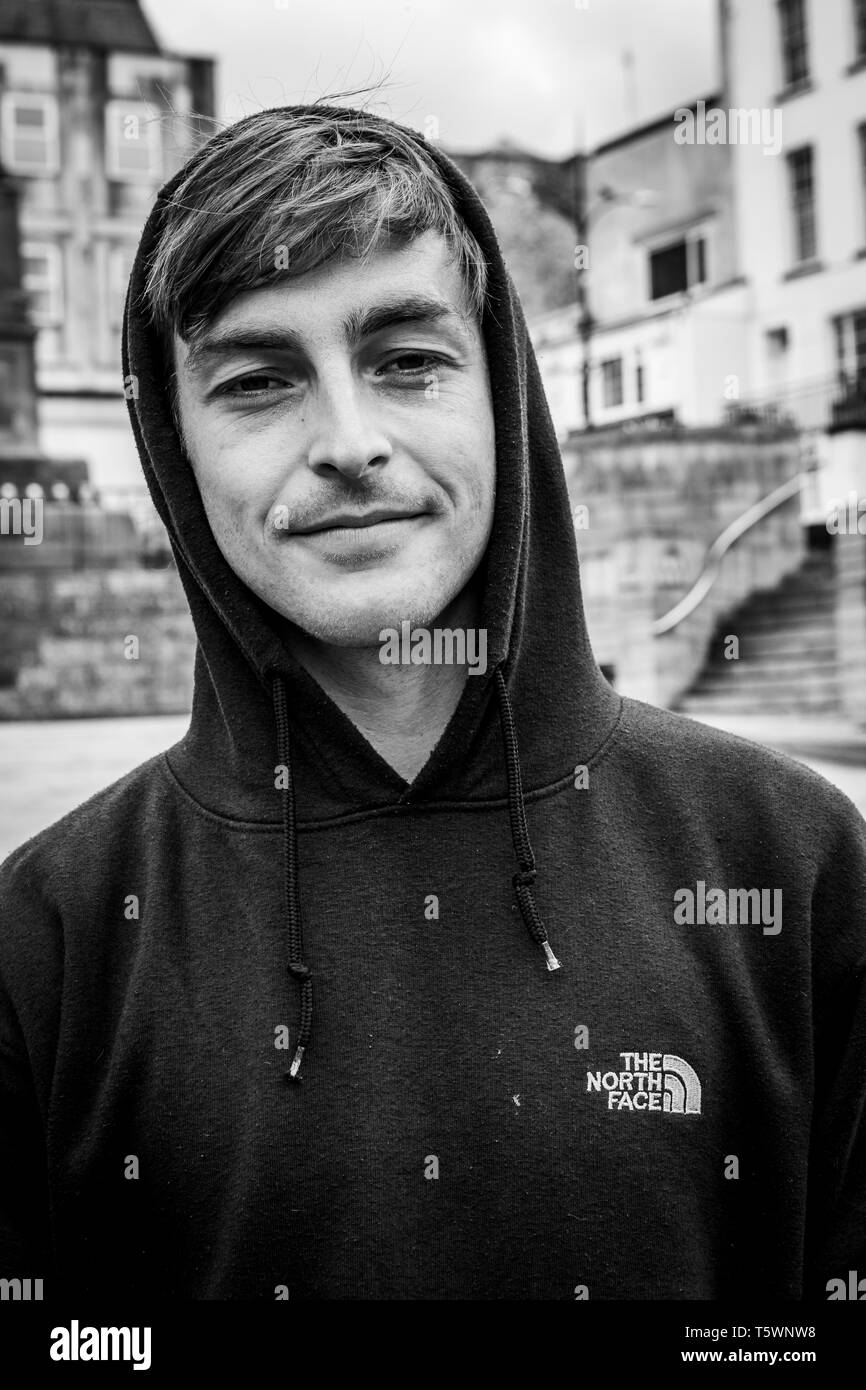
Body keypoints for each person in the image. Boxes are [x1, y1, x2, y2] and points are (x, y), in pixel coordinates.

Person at [1, 103, 864, 1302]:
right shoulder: (49, 933)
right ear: (174, 446)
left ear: (500, 392)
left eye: (407, 359)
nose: (348, 442)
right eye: (258, 380)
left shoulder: (795, 859)